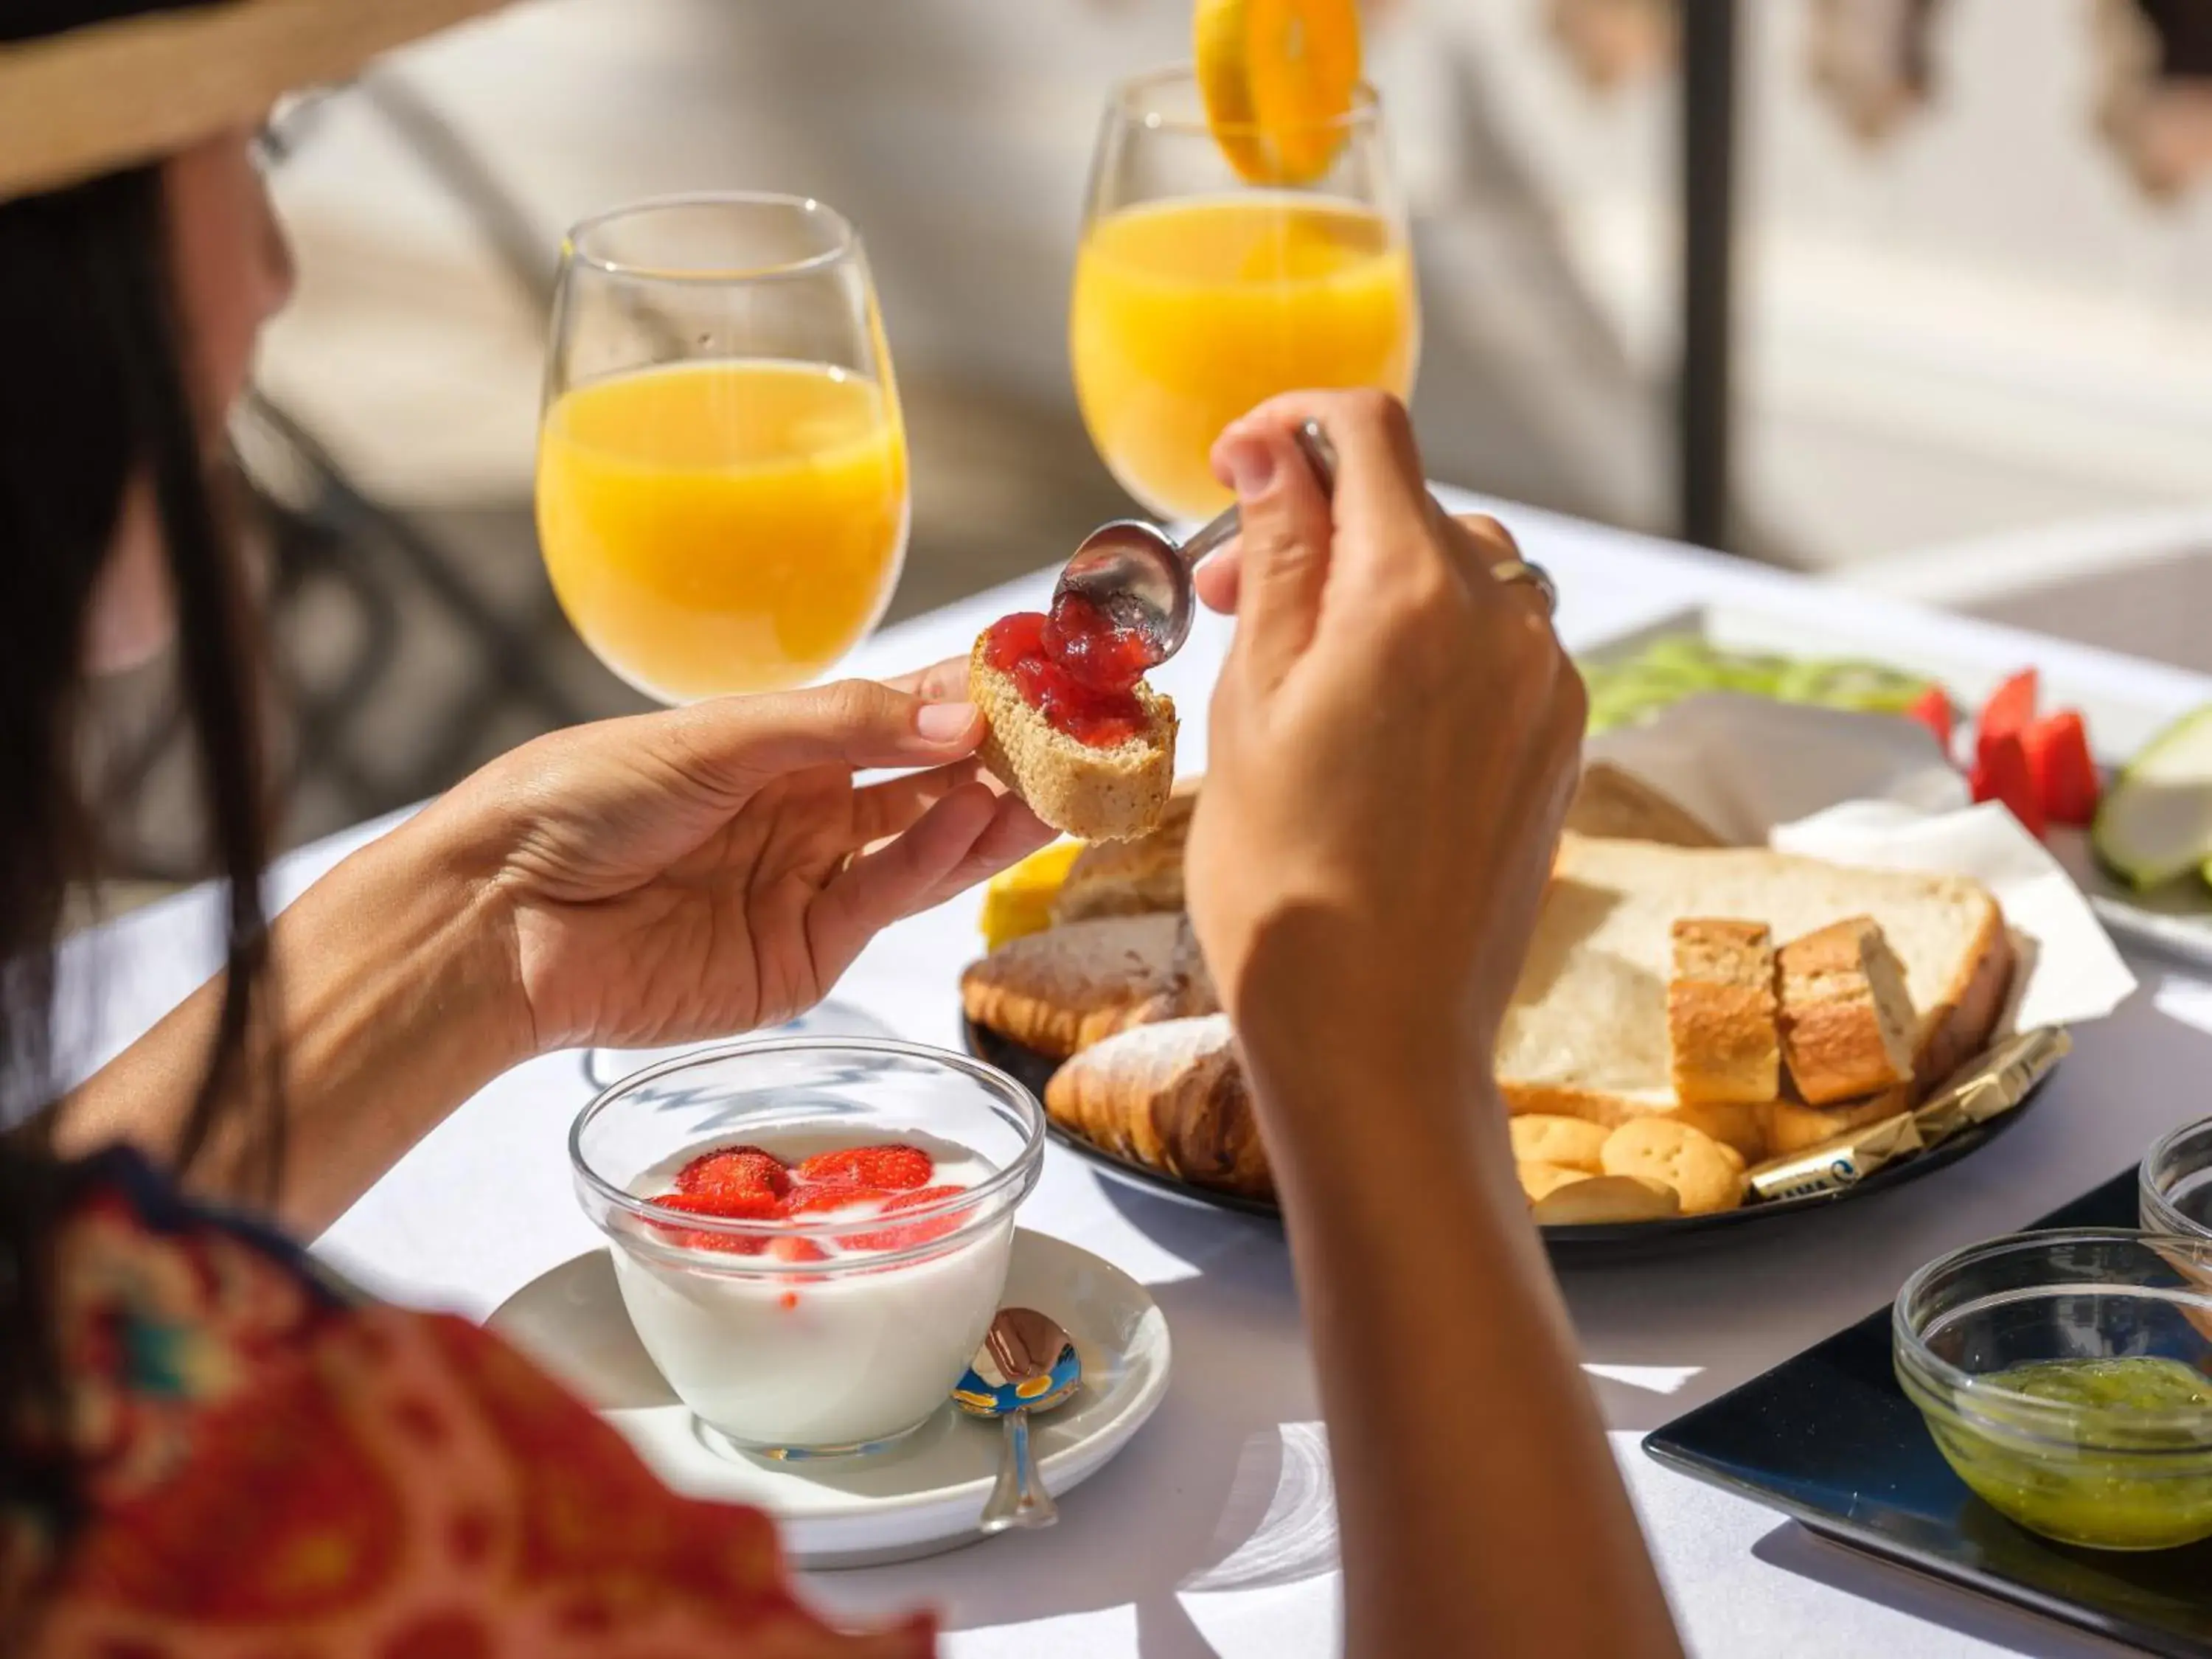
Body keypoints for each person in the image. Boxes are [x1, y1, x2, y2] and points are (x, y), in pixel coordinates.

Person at [0, 4, 1684, 1655]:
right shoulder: (407, 1540)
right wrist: (1378, 1054)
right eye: (246, 132)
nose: (281, 269)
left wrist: (482, 931)